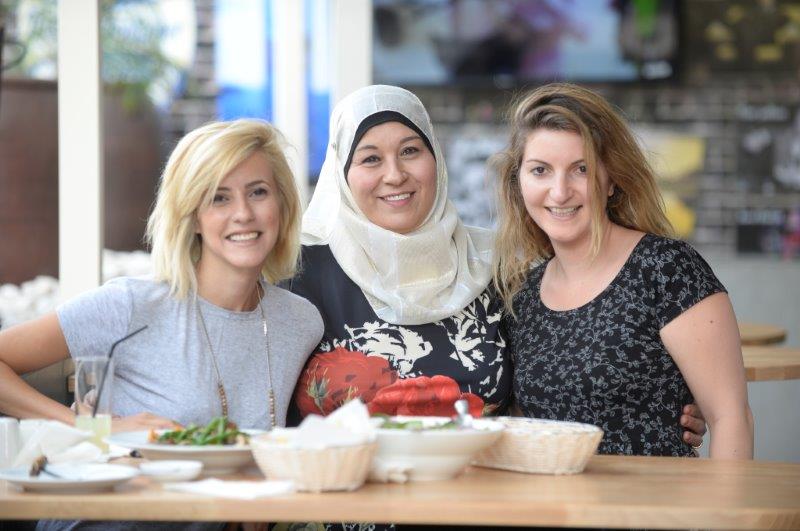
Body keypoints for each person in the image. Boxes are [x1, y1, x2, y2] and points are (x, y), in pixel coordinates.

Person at [0, 119, 323, 531]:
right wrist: (95, 427)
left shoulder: (300, 321)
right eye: (218, 198)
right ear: (193, 217)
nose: (243, 214)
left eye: (258, 192)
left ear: (283, 204)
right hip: (109, 519)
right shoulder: (132, 304)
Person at [493, 83, 753, 458]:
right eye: (540, 170)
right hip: (552, 496)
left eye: (581, 169)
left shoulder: (666, 269)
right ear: (518, 182)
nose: (560, 191)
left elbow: (731, 419)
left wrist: (724, 500)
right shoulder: (522, 294)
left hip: (654, 496)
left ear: (611, 179)